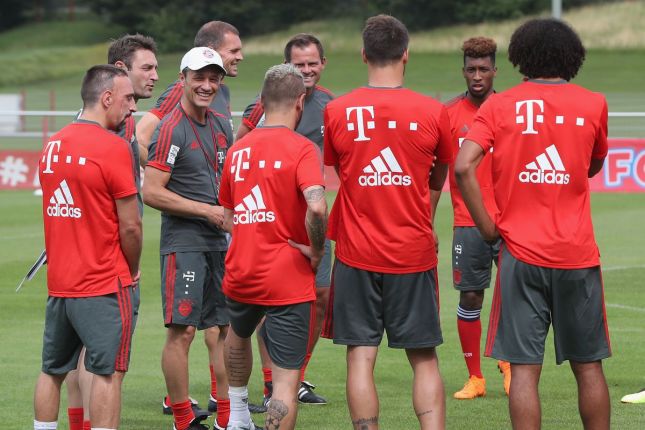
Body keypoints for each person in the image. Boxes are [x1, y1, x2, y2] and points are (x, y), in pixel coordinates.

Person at [455, 18, 611, 429]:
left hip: (520, 255)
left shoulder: (498, 106)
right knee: (589, 366)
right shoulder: (593, 103)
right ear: (572, 56)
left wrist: (487, 228)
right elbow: (593, 164)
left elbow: (463, 166)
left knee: (524, 369)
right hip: (577, 254)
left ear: (520, 55)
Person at [322, 15, 451, 429]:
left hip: (356, 252)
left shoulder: (336, 111)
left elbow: (339, 173)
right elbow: (439, 174)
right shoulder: (435, 111)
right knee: (424, 357)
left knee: (361, 356)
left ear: (364, 54)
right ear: (406, 54)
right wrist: (423, 215)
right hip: (412, 251)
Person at [135, 21, 249, 415]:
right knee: (182, 332)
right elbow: (152, 192)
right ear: (183, 79)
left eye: (213, 78)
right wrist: (208, 211)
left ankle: (227, 415)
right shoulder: (170, 128)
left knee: (224, 330)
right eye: (199, 77)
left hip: (219, 243)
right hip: (184, 245)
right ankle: (183, 418)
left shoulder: (219, 124)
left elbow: (225, 180)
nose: (206, 85)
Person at [219, 63, 327, 430]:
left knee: (238, 333)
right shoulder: (302, 148)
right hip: (286, 277)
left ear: (262, 102)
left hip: (241, 270)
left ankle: (237, 416)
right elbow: (316, 206)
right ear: (300, 102)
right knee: (284, 381)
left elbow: (228, 216)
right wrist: (316, 250)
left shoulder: (238, 150)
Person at [34, 64, 142, 430]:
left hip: (60, 283)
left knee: (52, 371)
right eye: (128, 98)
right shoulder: (114, 147)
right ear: (107, 97)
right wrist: (132, 268)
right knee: (106, 373)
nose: (133, 106)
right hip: (102, 282)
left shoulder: (52, 144)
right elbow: (131, 226)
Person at [63, 34, 160, 430]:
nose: (154, 76)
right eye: (146, 68)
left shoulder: (114, 121)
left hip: (80, 254)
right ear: (120, 72)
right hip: (106, 260)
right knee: (102, 361)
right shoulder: (108, 127)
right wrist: (130, 267)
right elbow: (127, 221)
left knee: (78, 355)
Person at [236, 33, 334, 406]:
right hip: (269, 222)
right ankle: (271, 381)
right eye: (299, 64)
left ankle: (297, 377)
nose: (306, 70)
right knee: (267, 301)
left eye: (312, 63)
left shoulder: (331, 106)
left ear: (323, 64)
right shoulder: (265, 106)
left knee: (320, 297)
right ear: (286, 66)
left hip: (312, 220)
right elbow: (239, 149)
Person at [445, 37, 511, 400]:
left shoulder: (510, 111)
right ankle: (475, 378)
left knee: (515, 294)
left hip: (510, 221)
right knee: (471, 296)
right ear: (463, 71)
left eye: (484, 69)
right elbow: (437, 173)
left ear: (495, 70)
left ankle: (509, 365)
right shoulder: (449, 114)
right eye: (471, 69)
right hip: (467, 221)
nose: (477, 76)